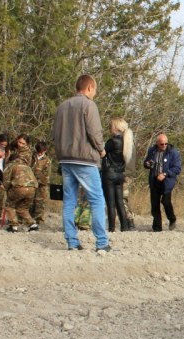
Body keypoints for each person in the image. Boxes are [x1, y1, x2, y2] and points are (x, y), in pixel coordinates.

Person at [52, 74, 110, 252]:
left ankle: (72, 241)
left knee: (69, 201)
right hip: (85, 159)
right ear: (90, 88)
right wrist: (101, 149)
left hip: (66, 159)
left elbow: (54, 134)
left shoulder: (62, 107)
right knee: (97, 199)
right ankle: (101, 242)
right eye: (95, 90)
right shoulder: (88, 105)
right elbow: (94, 132)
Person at [143, 133, 181, 231]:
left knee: (165, 202)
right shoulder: (152, 150)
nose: (164, 146)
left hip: (167, 182)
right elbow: (146, 162)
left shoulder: (173, 152)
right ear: (157, 143)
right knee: (154, 204)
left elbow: (177, 168)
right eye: (161, 144)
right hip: (154, 180)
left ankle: (172, 219)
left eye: (165, 144)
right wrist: (147, 164)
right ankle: (157, 227)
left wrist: (165, 174)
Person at [102, 117, 134, 232]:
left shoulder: (112, 142)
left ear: (115, 128)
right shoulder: (127, 142)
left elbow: (102, 153)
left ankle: (111, 227)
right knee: (120, 202)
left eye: (111, 126)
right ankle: (124, 226)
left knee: (110, 203)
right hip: (120, 174)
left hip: (109, 174)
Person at [2, 143, 38, 232]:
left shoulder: (11, 165)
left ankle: (13, 226)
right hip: (32, 189)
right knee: (22, 208)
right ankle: (32, 224)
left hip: (19, 188)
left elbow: (6, 181)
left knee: (9, 205)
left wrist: (5, 188)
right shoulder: (27, 166)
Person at [30, 141, 51, 225]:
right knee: (29, 202)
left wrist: (38, 178)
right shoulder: (31, 157)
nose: (39, 154)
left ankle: (39, 221)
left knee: (40, 203)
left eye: (41, 152)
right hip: (30, 184)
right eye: (38, 152)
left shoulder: (47, 161)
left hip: (42, 185)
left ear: (45, 150)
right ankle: (29, 220)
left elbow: (46, 176)